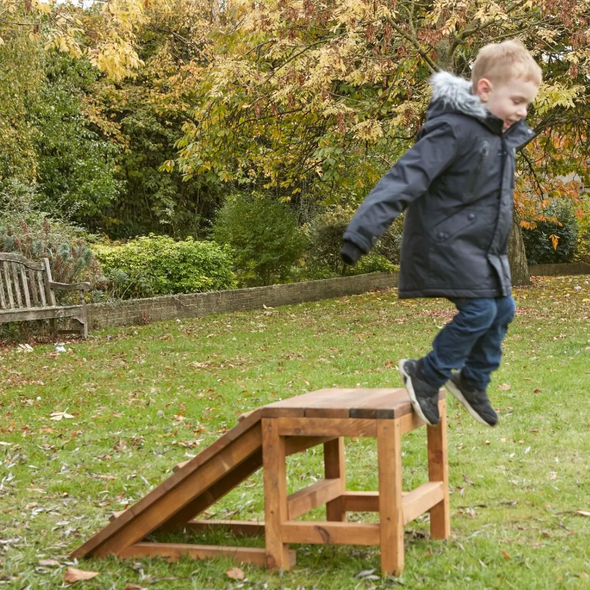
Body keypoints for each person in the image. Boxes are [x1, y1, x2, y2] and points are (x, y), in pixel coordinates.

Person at [340, 40, 542, 427]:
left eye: (527, 104)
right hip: (445, 243)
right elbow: (406, 176)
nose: (522, 111)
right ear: (484, 89)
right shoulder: (453, 129)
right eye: (517, 100)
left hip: (480, 249)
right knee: (482, 309)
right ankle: (427, 373)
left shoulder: (500, 139)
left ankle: (472, 380)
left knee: (503, 308)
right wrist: (361, 232)